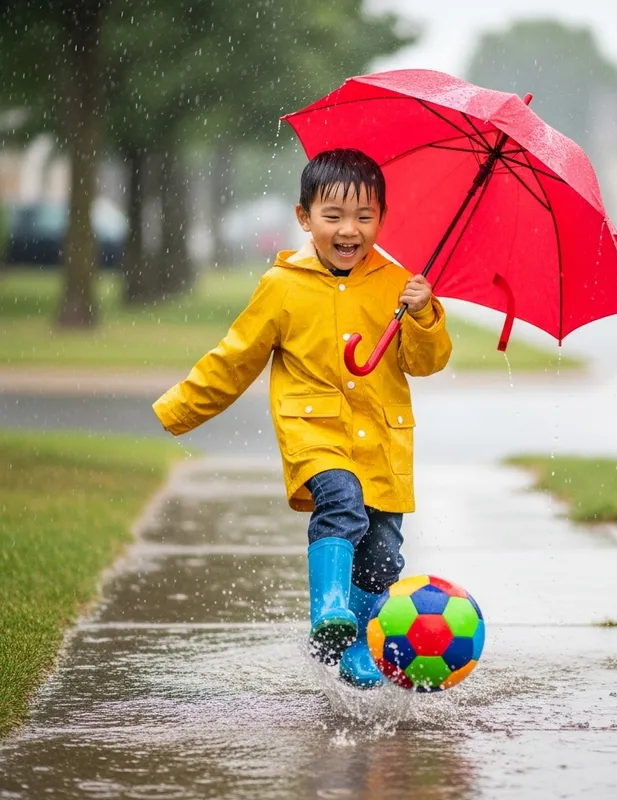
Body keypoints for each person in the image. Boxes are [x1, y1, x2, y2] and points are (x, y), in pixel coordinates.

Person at [153, 148, 452, 688]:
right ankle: (330, 612)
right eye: (333, 216)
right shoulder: (283, 287)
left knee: (384, 555)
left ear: (382, 218)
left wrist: (425, 313)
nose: (349, 230)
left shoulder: (398, 285)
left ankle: (357, 642)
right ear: (304, 218)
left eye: (364, 217)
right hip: (315, 436)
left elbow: (425, 362)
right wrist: (178, 409)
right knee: (341, 504)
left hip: (382, 445)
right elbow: (234, 359)